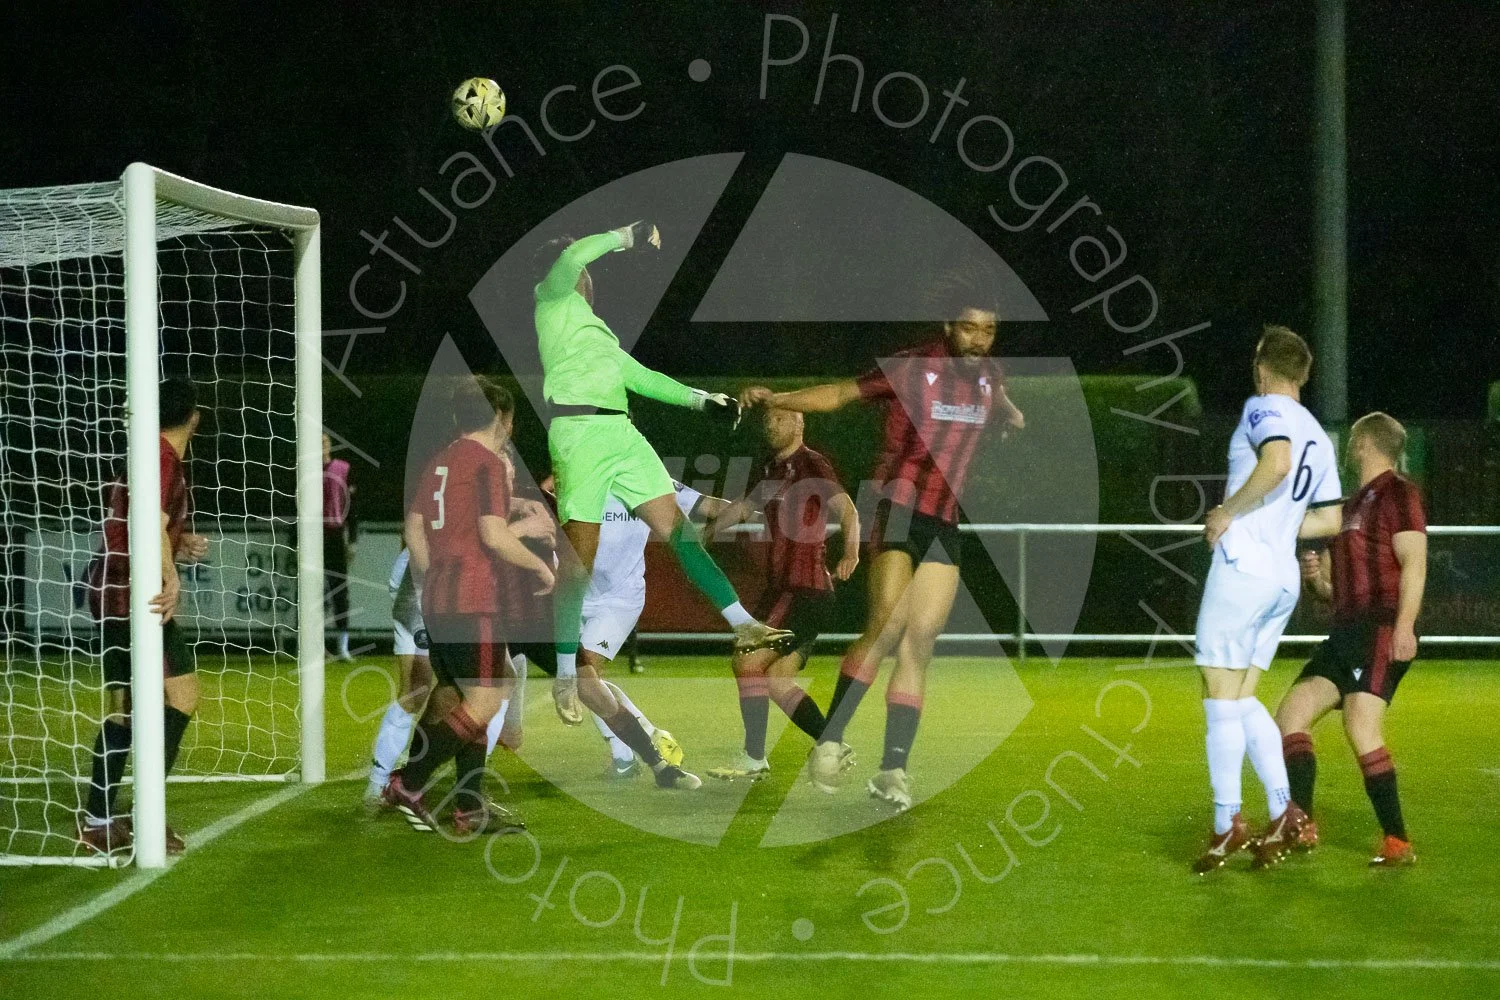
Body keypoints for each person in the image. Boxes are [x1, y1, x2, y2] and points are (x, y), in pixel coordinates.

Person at [739, 275, 1023, 809]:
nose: (978, 340)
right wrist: (776, 398)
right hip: (898, 510)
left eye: (988, 331)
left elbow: (999, 397)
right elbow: (840, 394)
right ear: (949, 327)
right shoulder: (915, 367)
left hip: (944, 521)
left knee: (920, 644)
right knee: (886, 628)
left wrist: (1010, 414)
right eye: (969, 328)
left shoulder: (990, 374)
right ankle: (830, 739)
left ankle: (892, 771)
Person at [532, 223, 795, 737]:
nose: (587, 276)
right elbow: (573, 257)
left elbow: (641, 378)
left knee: (678, 530)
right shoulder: (552, 299)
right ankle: (565, 673)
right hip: (579, 434)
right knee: (578, 568)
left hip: (621, 433)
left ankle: (743, 625)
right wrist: (627, 235)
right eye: (583, 270)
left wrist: (703, 401)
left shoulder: (595, 332)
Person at [1190, 326, 1344, 874]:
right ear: (1304, 374)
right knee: (1240, 697)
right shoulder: (1320, 436)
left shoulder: (1263, 407)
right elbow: (1331, 519)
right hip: (1281, 576)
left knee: (1217, 693)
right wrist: (1278, 526)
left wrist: (1228, 512)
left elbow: (1276, 462)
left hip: (1244, 568)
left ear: (1262, 369)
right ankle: (1283, 811)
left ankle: (1226, 822)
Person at [381, 377, 552, 834]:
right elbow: (493, 534)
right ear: (502, 419)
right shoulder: (487, 462)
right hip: (472, 597)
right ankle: (408, 783)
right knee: (487, 696)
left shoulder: (440, 460)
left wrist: (433, 573)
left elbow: (413, 528)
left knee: (467, 693)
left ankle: (469, 808)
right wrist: (539, 567)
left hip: (439, 596)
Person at [1275, 412, 1427, 867]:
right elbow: (1334, 592)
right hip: (1345, 632)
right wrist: (1317, 581)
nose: (1348, 448)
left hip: (1380, 627)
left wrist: (1404, 627)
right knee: (1290, 715)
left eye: (1353, 440)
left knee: (1360, 725)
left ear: (1364, 443)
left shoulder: (1398, 492)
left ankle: (1397, 841)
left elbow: (1414, 562)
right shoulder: (1349, 505)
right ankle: (1301, 824)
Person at [78, 378, 211, 856]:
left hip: (114, 589)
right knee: (182, 696)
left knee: (126, 707)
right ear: (194, 417)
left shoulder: (150, 451)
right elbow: (149, 519)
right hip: (132, 593)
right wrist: (170, 577)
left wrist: (178, 543)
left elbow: (147, 522)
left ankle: (98, 820)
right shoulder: (161, 455)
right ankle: (143, 816)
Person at [705, 406, 860, 782]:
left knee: (746, 662)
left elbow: (848, 510)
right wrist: (707, 533)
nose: (770, 425)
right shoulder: (770, 469)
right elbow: (745, 508)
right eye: (767, 420)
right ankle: (831, 743)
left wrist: (851, 552)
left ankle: (754, 758)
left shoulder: (812, 464)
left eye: (779, 418)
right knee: (777, 682)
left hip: (801, 592)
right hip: (792, 594)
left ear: (799, 422)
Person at [322, 433, 358, 663]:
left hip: (334, 534)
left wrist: (352, 539)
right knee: (313, 592)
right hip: (312, 535)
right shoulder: (306, 470)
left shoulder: (342, 469)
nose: (321, 446)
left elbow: (352, 506)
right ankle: (316, 645)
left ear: (330, 445)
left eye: (324, 442)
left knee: (339, 590)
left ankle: (342, 646)